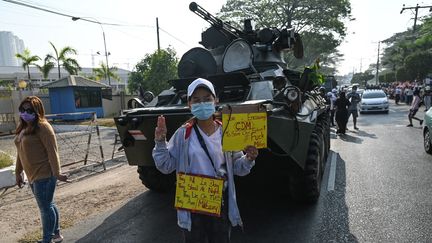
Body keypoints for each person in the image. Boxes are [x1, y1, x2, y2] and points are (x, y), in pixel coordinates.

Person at [152, 78, 258, 243]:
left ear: (216, 100)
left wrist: (249, 158)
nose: (202, 103)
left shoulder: (227, 132)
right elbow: (166, 166)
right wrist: (160, 142)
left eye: (207, 99)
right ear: (189, 104)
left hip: (219, 204)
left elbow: (238, 168)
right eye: (196, 100)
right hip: (192, 206)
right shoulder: (183, 134)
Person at [14, 96, 68, 243]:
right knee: (49, 204)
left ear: (37, 111)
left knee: (45, 208)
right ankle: (56, 234)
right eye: (22, 110)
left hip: (44, 175)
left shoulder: (43, 127)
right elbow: (20, 152)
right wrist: (18, 172)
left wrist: (57, 173)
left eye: (29, 110)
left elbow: (52, 152)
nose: (24, 113)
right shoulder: (24, 127)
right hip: (33, 176)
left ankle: (47, 239)